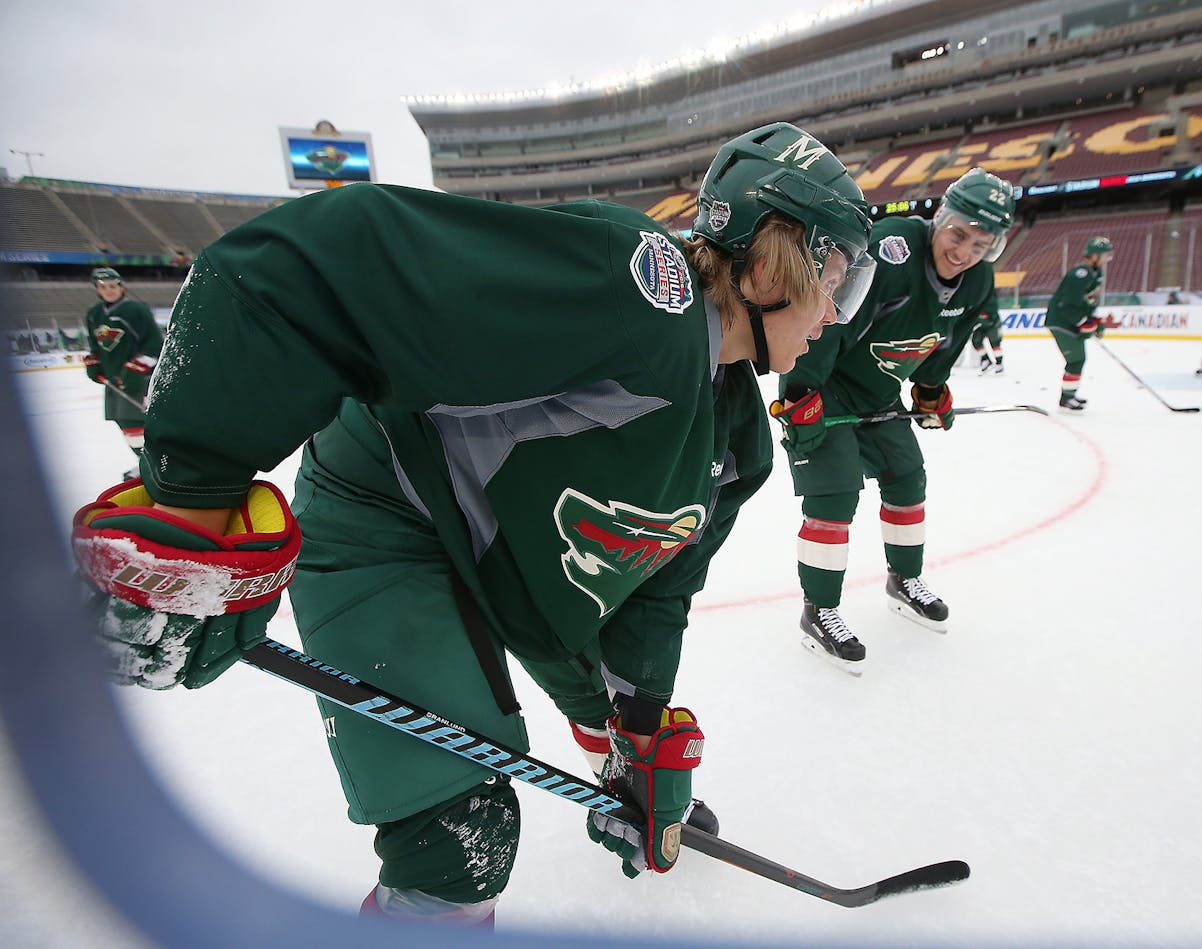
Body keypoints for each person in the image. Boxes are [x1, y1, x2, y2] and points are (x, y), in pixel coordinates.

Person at [69, 122, 874, 926]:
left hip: (513, 566)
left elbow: (657, 592)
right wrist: (193, 500)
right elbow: (305, 270)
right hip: (387, 514)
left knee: (595, 699)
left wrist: (639, 736)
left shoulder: (738, 440)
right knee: (458, 838)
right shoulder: (641, 292)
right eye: (835, 273)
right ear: (769, 261)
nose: (838, 312)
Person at [770, 167, 1014, 669]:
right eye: (958, 234)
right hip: (826, 387)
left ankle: (904, 579)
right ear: (941, 219)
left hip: (879, 396)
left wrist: (929, 389)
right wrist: (800, 391)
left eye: (979, 243)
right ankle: (819, 610)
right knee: (833, 496)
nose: (964, 251)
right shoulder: (892, 248)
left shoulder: (979, 280)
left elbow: (947, 343)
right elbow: (830, 317)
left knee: (907, 479)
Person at [81, 267, 162, 478]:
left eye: (112, 286)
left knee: (140, 422)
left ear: (121, 286)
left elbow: (154, 345)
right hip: (113, 380)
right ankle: (145, 462)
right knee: (124, 422)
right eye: (102, 287)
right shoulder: (94, 314)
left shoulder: (136, 310)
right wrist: (94, 363)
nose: (108, 290)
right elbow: (94, 345)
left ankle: (157, 464)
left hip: (137, 379)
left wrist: (136, 370)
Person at [1045, 236, 1112, 411]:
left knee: (1077, 360)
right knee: (1076, 358)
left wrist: (1095, 320)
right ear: (1095, 255)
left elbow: (1089, 301)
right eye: (1105, 255)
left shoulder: (1095, 273)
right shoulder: (1080, 274)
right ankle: (1067, 399)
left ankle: (1069, 396)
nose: (1107, 259)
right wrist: (1084, 322)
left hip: (1070, 321)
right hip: (1061, 321)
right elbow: (1067, 305)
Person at [970, 292, 1005, 373]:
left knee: (995, 343)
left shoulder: (989, 298)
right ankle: (985, 360)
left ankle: (999, 363)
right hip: (980, 324)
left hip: (993, 324)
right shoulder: (972, 297)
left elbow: (992, 311)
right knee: (976, 342)